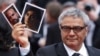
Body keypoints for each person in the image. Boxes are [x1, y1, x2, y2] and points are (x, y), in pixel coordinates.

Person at [12, 7, 100, 56]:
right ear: (60, 29)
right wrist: (25, 45)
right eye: (66, 28)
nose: (71, 33)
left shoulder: (97, 53)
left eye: (77, 28)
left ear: (86, 30)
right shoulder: (46, 53)